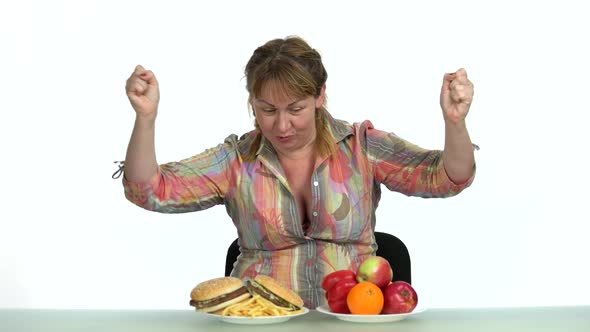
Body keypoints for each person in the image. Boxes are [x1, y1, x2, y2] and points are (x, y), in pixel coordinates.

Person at [121, 36, 476, 309]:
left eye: (296, 108)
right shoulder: (236, 159)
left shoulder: (361, 146)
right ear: (252, 102)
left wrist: (454, 122)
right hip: (258, 320)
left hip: (355, 320)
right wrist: (145, 118)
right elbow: (147, 190)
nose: (282, 124)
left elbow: (448, 177)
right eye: (267, 109)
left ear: (320, 95)